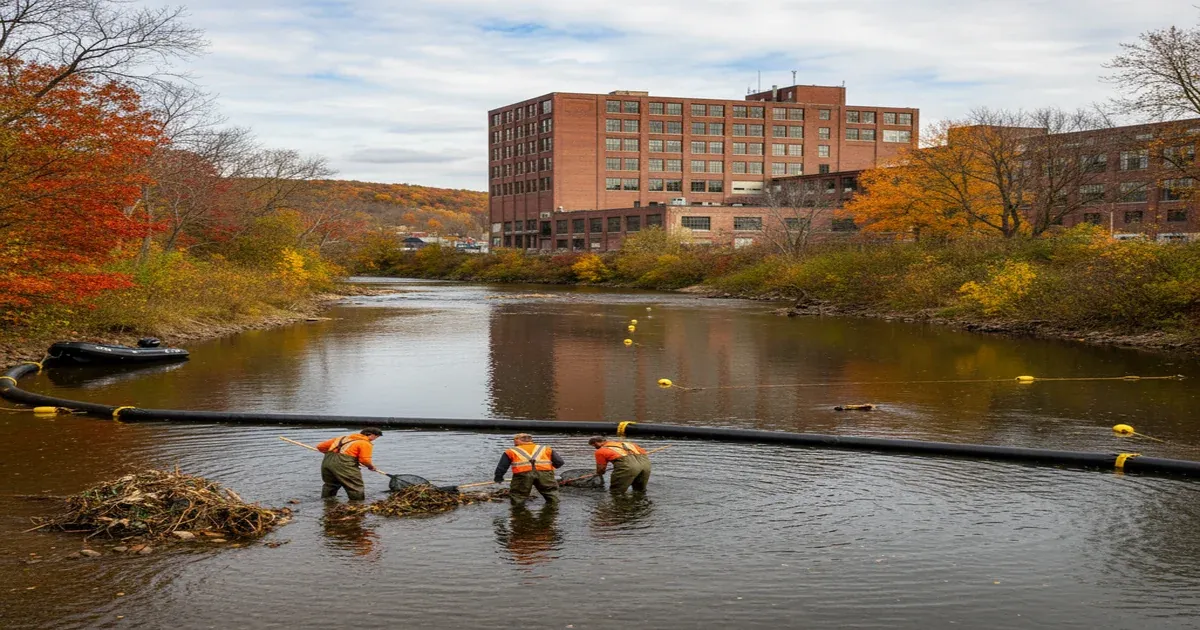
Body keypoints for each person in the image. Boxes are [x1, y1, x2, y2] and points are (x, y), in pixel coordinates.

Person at [494, 433, 563, 506]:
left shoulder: (510, 451)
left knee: (518, 496)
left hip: (522, 476)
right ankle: (553, 512)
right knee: (551, 494)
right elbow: (559, 462)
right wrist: (549, 470)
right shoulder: (546, 449)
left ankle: (518, 513)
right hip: (545, 474)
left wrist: (498, 477)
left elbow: (502, 467)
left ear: (517, 440)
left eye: (514, 440)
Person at [316, 428, 382, 500]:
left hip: (327, 463)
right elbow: (364, 460)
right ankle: (357, 505)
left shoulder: (342, 438)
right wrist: (371, 466)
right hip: (345, 466)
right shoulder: (365, 443)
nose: (375, 439)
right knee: (355, 486)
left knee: (331, 485)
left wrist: (333, 455)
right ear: (371, 435)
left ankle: (327, 503)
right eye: (376, 436)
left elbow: (320, 447)